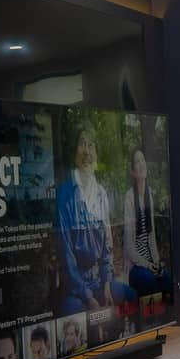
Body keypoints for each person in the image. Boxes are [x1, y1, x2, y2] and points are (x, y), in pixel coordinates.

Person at [55, 126, 114, 314]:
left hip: (99, 282)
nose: (87, 151)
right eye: (82, 143)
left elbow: (107, 248)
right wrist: (88, 296)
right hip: (76, 287)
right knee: (75, 315)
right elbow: (67, 258)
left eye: (91, 145)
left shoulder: (102, 194)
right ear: (74, 153)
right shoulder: (64, 195)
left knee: (127, 297)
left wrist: (106, 284)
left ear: (96, 153)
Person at [116, 147, 171, 300]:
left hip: (149, 263)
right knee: (151, 281)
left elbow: (151, 236)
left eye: (142, 160)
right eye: (137, 162)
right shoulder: (129, 197)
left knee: (167, 278)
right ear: (133, 172)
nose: (141, 164)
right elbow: (128, 247)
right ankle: (152, 319)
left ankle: (162, 316)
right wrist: (147, 265)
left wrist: (157, 263)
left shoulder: (149, 195)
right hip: (136, 267)